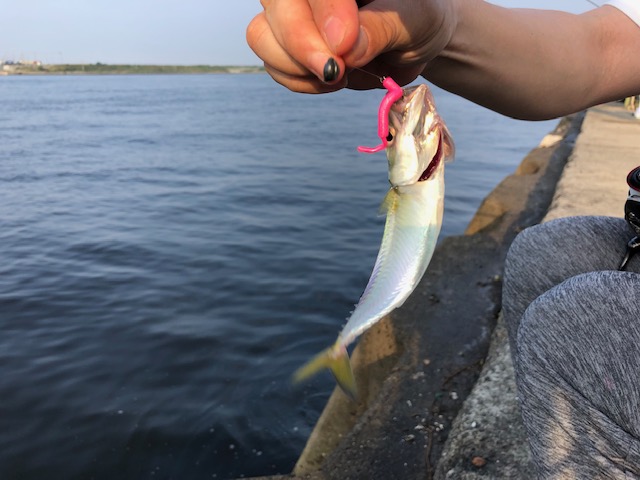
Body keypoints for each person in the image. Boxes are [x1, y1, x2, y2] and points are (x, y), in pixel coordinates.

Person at [247, 1, 640, 477]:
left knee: (569, 321)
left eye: (394, 140)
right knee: (542, 255)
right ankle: (342, 350)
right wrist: (438, 22)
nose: (400, 133)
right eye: (394, 140)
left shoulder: (416, 170)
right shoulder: (412, 177)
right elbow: (599, 50)